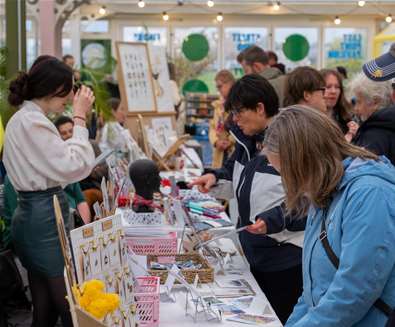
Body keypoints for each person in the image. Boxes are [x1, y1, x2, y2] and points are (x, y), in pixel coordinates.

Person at [263, 105, 395, 327]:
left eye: (286, 171)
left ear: (306, 160)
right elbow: (312, 292)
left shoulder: (370, 194)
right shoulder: (325, 188)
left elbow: (354, 291)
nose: (287, 181)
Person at [191, 74, 305, 324]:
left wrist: (273, 220)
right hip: (253, 253)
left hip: (285, 261)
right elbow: (234, 178)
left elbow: (309, 200)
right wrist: (214, 179)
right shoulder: (246, 141)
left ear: (260, 108)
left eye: (239, 111)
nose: (234, 118)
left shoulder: (293, 140)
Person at [3, 55, 95, 326]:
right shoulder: (33, 122)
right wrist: (79, 117)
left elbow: (58, 168)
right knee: (68, 306)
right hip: (43, 220)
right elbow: (75, 166)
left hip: (33, 216)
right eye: (68, 91)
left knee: (45, 309)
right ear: (54, 89)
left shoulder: (25, 119)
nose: (69, 99)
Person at [348, 72, 395, 165]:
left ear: (375, 102)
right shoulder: (387, 125)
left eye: (359, 102)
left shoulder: (374, 136)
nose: (356, 109)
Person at [54, 116, 91, 225]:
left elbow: (80, 200)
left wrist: (84, 227)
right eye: (64, 133)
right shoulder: (54, 163)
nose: (69, 135)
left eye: (71, 131)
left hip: (77, 218)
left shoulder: (73, 159)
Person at [320, 69, 358, 141]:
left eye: (337, 87)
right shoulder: (308, 120)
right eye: (328, 87)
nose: (333, 91)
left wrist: (355, 134)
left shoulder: (348, 118)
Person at [209, 70, 235, 168]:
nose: (218, 90)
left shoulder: (238, 105)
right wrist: (215, 141)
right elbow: (212, 127)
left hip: (232, 151)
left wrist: (231, 141)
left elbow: (241, 126)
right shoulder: (218, 106)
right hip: (219, 152)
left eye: (220, 86)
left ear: (231, 84)